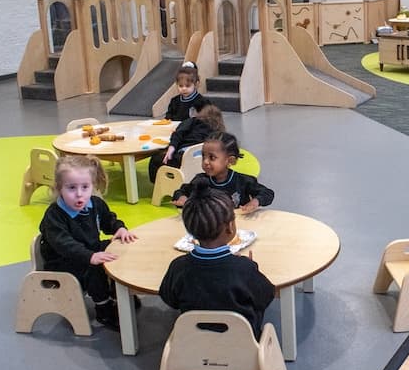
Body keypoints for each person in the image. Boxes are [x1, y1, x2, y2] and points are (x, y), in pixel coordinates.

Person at [159, 180, 275, 339]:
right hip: (241, 344)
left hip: (192, 344)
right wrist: (251, 265)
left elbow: (169, 299)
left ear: (190, 228)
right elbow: (266, 296)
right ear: (230, 227)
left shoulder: (178, 267)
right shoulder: (244, 268)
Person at [39, 155, 138, 330]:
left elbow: (109, 220)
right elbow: (64, 244)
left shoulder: (95, 204)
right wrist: (90, 256)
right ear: (59, 188)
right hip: (62, 262)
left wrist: (119, 229)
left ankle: (119, 294)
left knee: (119, 250)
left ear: (92, 185)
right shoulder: (54, 216)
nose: (79, 194)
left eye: (85, 187)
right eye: (71, 188)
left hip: (88, 251)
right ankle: (104, 308)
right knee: (94, 268)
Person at [171, 131, 274, 213]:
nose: (205, 162)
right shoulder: (200, 181)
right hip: (211, 229)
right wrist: (183, 198)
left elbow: (267, 193)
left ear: (230, 161)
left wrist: (255, 202)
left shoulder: (243, 181)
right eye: (203, 156)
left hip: (238, 227)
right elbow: (180, 191)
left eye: (212, 157)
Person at [148, 101, 225, 182]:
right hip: (202, 160)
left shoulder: (193, 121)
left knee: (155, 159)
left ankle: (158, 184)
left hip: (183, 157)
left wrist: (172, 147)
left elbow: (178, 133)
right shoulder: (218, 132)